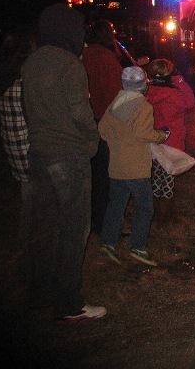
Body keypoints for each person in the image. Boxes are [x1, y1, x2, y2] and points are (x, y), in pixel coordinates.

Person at [21, 2, 105, 321]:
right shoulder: (70, 64)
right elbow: (81, 112)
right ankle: (70, 302)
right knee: (74, 228)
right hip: (68, 155)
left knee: (45, 225)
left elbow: (28, 108)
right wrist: (93, 140)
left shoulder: (32, 61)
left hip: (38, 153)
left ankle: (39, 291)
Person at [98, 65, 170, 267]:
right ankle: (138, 247)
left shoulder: (116, 103)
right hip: (136, 168)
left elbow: (102, 129)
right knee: (145, 207)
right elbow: (143, 133)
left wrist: (119, 139)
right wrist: (162, 135)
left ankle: (108, 243)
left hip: (117, 167)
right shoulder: (143, 106)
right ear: (143, 84)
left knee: (116, 206)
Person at [0, 26, 37, 257]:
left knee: (28, 194)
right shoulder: (22, 81)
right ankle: (29, 246)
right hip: (27, 144)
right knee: (34, 199)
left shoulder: (2, 76)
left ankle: (27, 244)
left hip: (11, 142)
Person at [81, 19, 124, 233]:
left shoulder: (84, 55)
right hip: (106, 123)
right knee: (108, 176)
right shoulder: (107, 58)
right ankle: (106, 224)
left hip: (89, 121)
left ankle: (95, 219)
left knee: (95, 174)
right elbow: (115, 95)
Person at [145, 58, 195, 215]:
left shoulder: (148, 91)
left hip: (153, 139)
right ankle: (165, 215)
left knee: (156, 176)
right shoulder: (174, 94)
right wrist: (179, 80)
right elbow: (190, 102)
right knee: (168, 177)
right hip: (171, 140)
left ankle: (154, 211)